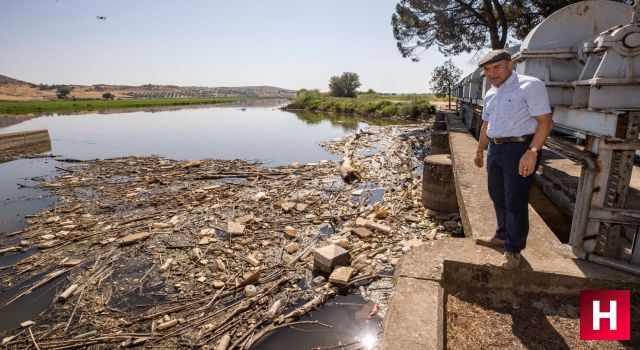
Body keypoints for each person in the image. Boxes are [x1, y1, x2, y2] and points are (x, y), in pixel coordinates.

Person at [473, 49, 554, 269]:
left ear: (510, 64)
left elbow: (545, 122)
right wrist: (481, 150)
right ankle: (501, 234)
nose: (491, 73)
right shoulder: (491, 92)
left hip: (520, 148)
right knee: (497, 195)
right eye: (487, 70)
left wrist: (533, 151)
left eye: (496, 67)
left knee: (515, 201)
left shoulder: (530, 85)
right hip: (496, 150)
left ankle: (513, 249)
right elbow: (486, 125)